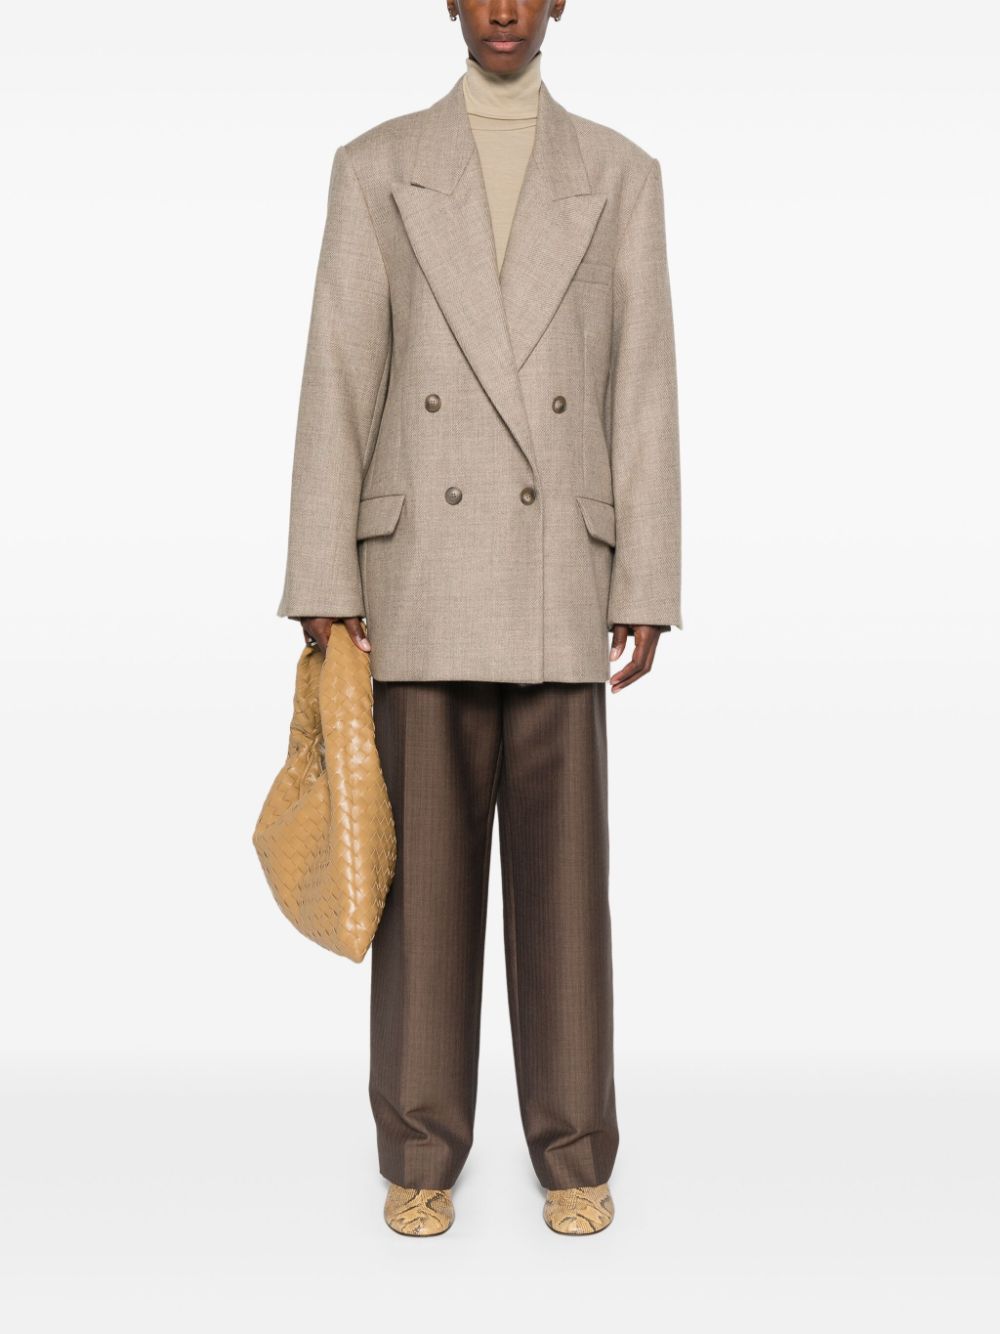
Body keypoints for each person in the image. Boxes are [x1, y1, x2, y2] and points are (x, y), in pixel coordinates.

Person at [276, 0, 681, 1237]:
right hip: (420, 579)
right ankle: (420, 1149)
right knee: (424, 899)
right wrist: (324, 577)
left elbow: (641, 383)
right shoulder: (376, 166)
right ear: (447, 1)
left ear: (562, 2)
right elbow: (339, 370)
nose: (504, 7)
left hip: (561, 573)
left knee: (567, 898)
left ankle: (573, 1153)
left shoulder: (620, 173)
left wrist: (647, 579)